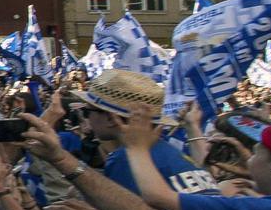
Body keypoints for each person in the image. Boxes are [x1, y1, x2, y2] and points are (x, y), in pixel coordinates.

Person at [121, 102, 271, 210]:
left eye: (255, 153)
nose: (248, 158)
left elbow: (157, 197)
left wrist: (137, 147)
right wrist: (192, 125)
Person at [73, 69, 217, 196]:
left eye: (87, 112)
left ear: (111, 119)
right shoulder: (168, 152)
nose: (87, 120)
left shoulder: (126, 159)